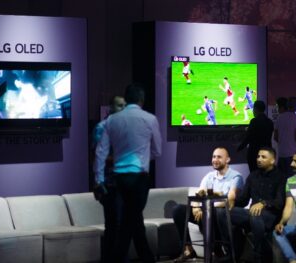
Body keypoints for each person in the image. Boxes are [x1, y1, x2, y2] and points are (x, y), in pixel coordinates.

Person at [93, 83, 162, 263]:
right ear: (141, 99)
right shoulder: (150, 118)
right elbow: (157, 151)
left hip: (119, 178)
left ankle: (144, 258)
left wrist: (98, 180)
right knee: (130, 221)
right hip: (139, 177)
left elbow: (101, 152)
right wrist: (143, 157)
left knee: (132, 220)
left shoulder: (111, 121)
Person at [172, 147, 244, 262]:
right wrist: (196, 207)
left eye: (219, 157)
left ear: (228, 160)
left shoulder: (236, 177)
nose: (215, 160)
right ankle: (188, 249)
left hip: (220, 214)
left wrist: (205, 208)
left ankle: (218, 251)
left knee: (211, 214)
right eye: (214, 157)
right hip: (205, 211)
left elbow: (230, 199)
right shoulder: (209, 176)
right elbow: (199, 194)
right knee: (178, 210)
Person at [217, 146, 285, 263]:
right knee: (222, 213)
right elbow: (243, 200)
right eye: (258, 156)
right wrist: (231, 201)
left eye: (263, 157)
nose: (259, 159)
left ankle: (258, 257)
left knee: (255, 215)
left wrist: (263, 203)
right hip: (251, 214)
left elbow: (279, 202)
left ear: (272, 160)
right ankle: (231, 253)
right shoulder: (253, 176)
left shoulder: (280, 177)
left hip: (271, 215)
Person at [92, 95, 126, 263]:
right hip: (110, 185)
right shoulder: (102, 127)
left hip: (125, 184)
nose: (123, 109)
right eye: (120, 105)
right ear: (110, 108)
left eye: (125, 105)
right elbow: (99, 156)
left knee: (123, 226)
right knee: (114, 226)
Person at [237, 100, 274, 172]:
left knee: (255, 176)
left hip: (255, 153)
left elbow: (248, 138)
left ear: (256, 109)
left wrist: (239, 148)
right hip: (267, 152)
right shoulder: (270, 122)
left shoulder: (254, 121)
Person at [274, 96, 296, 178]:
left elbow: (275, 137)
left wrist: (284, 143)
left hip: (281, 155)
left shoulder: (279, 118)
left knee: (282, 181)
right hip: (293, 155)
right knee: (293, 182)